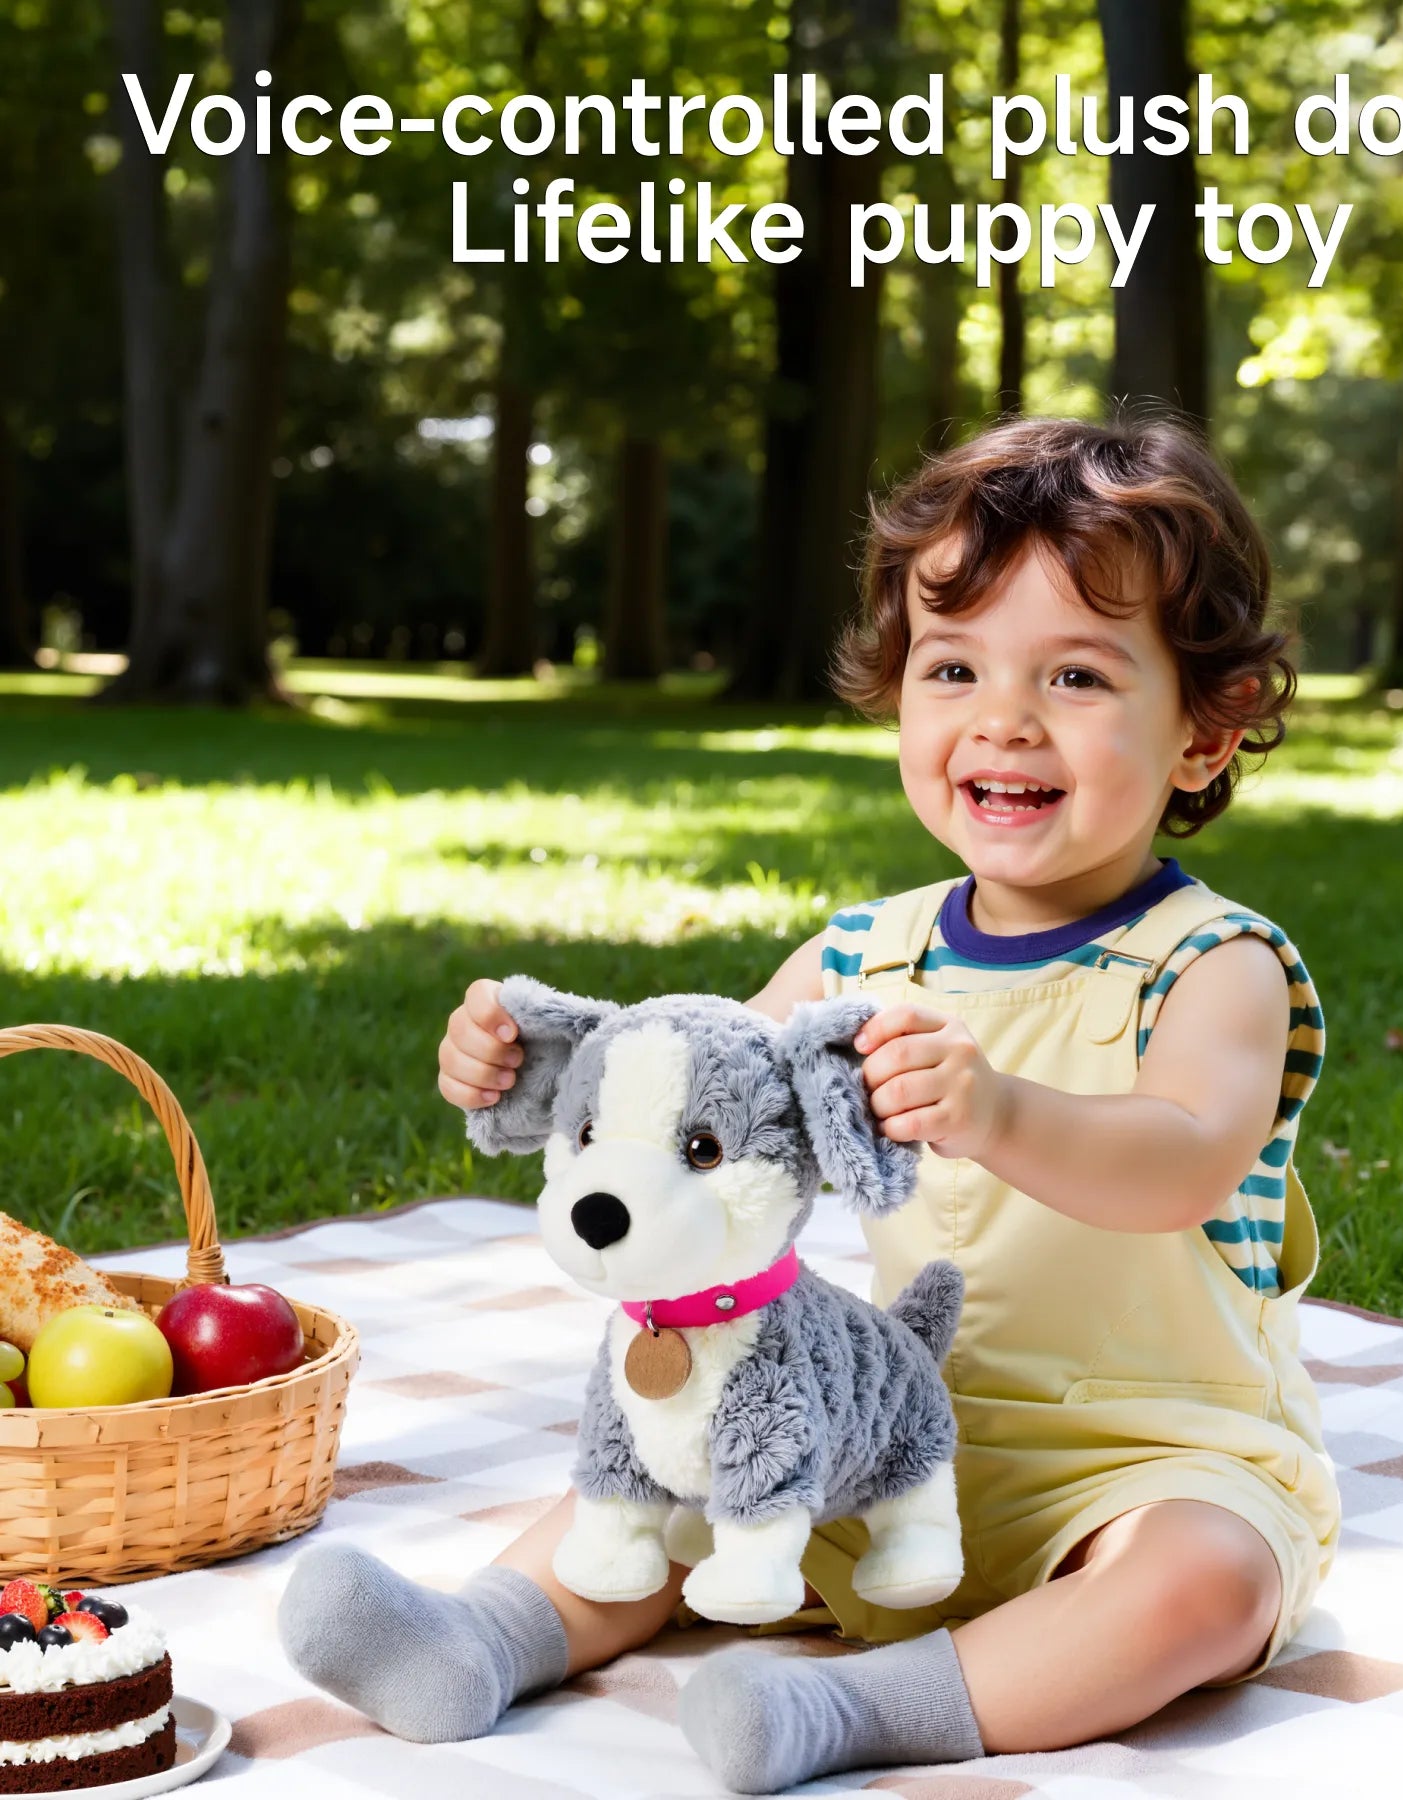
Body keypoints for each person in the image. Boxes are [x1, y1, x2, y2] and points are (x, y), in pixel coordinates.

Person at [278, 413, 1341, 1795]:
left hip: (1148, 1466)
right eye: (952, 667)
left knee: (1199, 1588)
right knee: (681, 1447)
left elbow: (1184, 1162)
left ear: (1206, 732)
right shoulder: (862, 958)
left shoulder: (1216, 964)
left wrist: (1001, 1111)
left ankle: (859, 1712)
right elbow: (694, 1098)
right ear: (898, 693)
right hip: (895, 1431)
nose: (1003, 719)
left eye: (1076, 676)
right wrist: (537, 1074)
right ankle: (480, 1636)